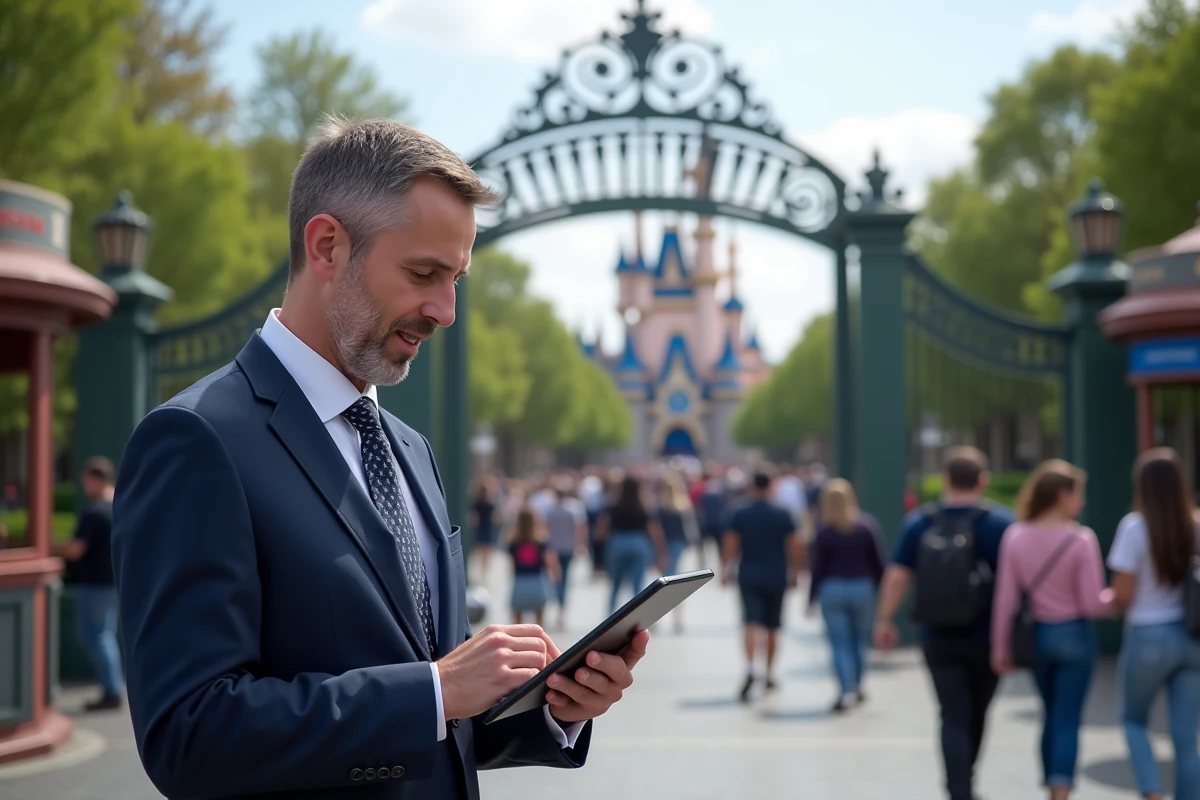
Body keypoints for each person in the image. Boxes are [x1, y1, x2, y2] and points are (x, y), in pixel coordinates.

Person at [110, 118, 649, 800]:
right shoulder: (195, 440)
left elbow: (438, 724)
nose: (446, 310)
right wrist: (434, 688)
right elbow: (188, 734)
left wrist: (552, 707)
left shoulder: (410, 449)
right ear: (328, 246)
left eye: (455, 278)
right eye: (424, 272)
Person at [873, 446, 1014, 800]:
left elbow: (897, 576)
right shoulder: (1000, 523)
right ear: (983, 480)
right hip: (986, 635)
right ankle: (966, 782)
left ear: (945, 480)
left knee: (952, 713)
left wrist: (885, 619)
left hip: (937, 635)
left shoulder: (920, 521)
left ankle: (958, 791)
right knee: (978, 712)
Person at [990, 459, 1115, 800]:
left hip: (1036, 639)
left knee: (1050, 714)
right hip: (1074, 636)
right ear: (1063, 494)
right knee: (1067, 718)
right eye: (1078, 494)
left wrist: (1000, 647)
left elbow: (1005, 600)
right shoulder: (1080, 539)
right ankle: (1060, 789)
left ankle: (1050, 783)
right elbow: (1093, 603)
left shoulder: (1015, 536)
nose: (1082, 502)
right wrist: (1121, 597)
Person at [1107, 447, 1200, 800]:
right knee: (1186, 738)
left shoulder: (1134, 528)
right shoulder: (1195, 526)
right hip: (1192, 637)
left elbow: (1123, 594)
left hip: (1148, 635)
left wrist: (1106, 602)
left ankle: (1152, 791)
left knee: (1133, 720)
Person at [806, 478, 886, 712]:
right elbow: (879, 564)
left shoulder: (824, 532)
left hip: (832, 589)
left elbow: (817, 569)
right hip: (862, 588)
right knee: (859, 640)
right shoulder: (866, 526)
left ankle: (845, 690)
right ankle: (858, 685)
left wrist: (810, 598)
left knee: (839, 643)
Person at [723, 469, 802, 701]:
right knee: (772, 627)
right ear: (772, 486)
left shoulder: (740, 512)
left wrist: (725, 569)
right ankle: (768, 673)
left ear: (752, 486)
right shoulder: (783, 513)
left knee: (750, 622)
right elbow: (794, 544)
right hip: (776, 575)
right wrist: (796, 571)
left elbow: (731, 542)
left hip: (749, 574)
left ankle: (749, 668)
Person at [53, 456, 124, 711]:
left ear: (95, 478)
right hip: (115, 580)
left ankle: (112, 690)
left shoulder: (94, 511)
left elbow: (76, 549)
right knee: (106, 635)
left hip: (95, 583)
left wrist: (50, 547)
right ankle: (112, 688)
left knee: (96, 636)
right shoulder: (121, 504)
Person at [595, 474, 667, 613]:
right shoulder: (643, 507)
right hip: (639, 542)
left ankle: (611, 615)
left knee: (615, 583)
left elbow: (601, 530)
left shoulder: (613, 506)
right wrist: (660, 551)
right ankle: (638, 614)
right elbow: (654, 531)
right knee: (637, 584)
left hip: (618, 542)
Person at [507, 506, 560, 628]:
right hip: (537, 582)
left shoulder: (514, 543)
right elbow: (550, 561)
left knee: (517, 623)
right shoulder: (541, 542)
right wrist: (555, 576)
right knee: (539, 623)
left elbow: (510, 565)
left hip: (520, 581)